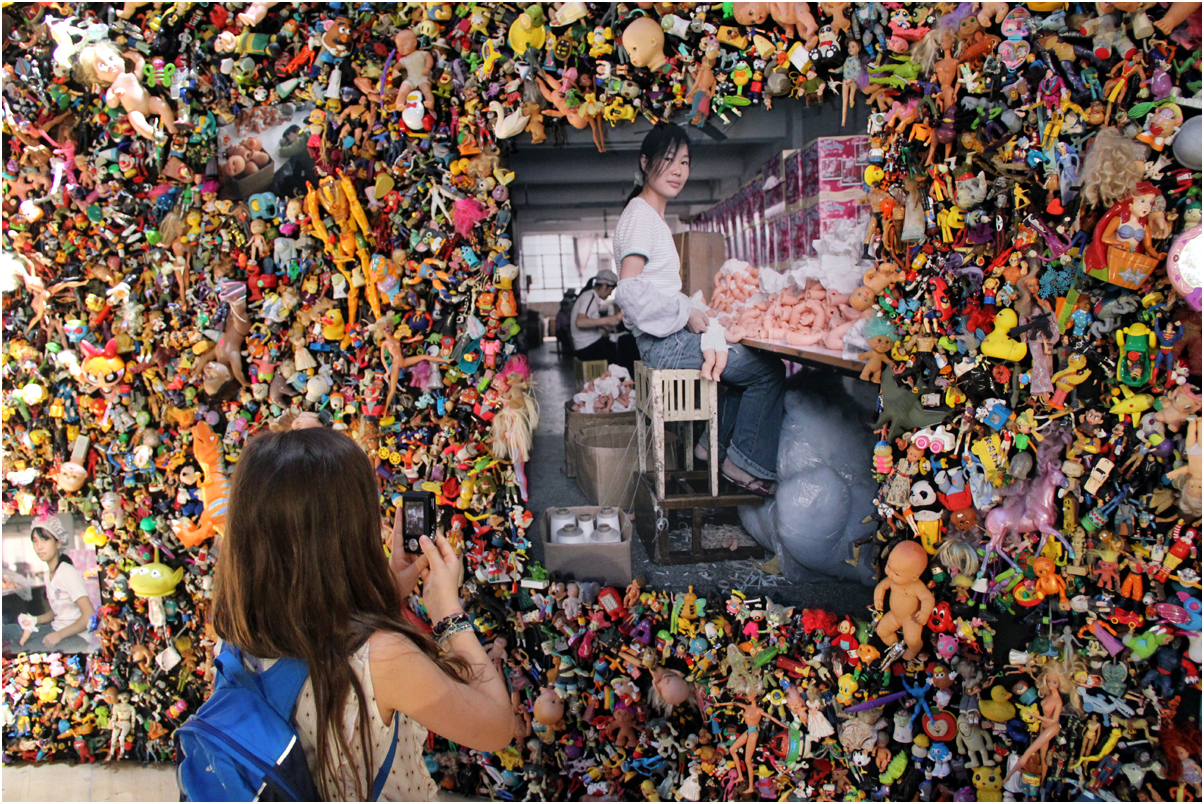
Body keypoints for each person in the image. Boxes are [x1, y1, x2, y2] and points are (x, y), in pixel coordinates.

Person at [211, 426, 514, 800]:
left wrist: (385, 593)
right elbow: (498, 728)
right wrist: (449, 614)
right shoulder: (384, 658)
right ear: (351, 528)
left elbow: (312, 625)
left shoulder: (236, 634)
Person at [613, 123, 785, 496]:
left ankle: (712, 449)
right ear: (645, 162)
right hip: (664, 345)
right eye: (668, 159)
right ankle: (743, 465)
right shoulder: (641, 216)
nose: (678, 170)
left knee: (737, 362)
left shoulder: (650, 216)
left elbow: (652, 291)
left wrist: (693, 309)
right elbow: (629, 291)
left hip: (664, 339)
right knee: (767, 371)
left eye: (685, 162)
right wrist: (685, 313)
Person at [4, 515, 98, 654]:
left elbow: (89, 615)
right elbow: (56, 612)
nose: (39, 547)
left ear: (58, 543)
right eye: (35, 541)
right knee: (7, 631)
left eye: (45, 539)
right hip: (56, 628)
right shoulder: (48, 575)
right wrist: (34, 620)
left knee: (18, 649)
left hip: (78, 636)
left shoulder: (67, 572)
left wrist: (59, 635)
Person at [571, 269, 639, 372]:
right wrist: (607, 320)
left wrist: (606, 326)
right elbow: (580, 322)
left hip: (588, 344)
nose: (610, 293)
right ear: (604, 285)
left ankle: (623, 379)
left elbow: (591, 320)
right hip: (587, 347)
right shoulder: (590, 296)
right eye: (611, 289)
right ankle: (624, 380)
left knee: (624, 339)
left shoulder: (591, 297)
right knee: (626, 345)